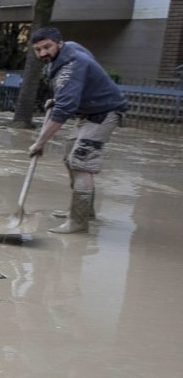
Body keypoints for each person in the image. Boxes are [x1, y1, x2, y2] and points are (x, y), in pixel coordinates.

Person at [26, 27, 128, 234]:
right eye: (38, 49)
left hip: (104, 114)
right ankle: (84, 211)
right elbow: (80, 82)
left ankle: (79, 222)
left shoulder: (69, 68)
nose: (43, 53)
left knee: (81, 163)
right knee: (69, 158)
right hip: (87, 113)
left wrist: (40, 143)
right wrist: (61, 97)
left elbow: (63, 111)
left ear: (59, 43)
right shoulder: (71, 48)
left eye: (47, 47)